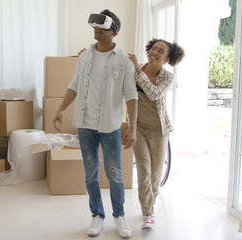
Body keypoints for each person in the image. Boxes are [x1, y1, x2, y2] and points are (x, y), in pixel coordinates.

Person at [52, 9, 138, 239]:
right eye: (95, 27)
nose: (96, 30)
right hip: (85, 125)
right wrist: (60, 109)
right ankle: (97, 216)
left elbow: (131, 95)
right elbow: (74, 85)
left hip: (110, 126)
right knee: (90, 174)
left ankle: (119, 216)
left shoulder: (123, 60)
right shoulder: (84, 57)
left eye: (102, 27)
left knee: (115, 174)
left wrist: (132, 126)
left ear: (114, 32)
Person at [128, 39, 185, 230]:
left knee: (155, 176)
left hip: (160, 131)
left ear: (167, 58)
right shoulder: (134, 71)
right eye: (153, 48)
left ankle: (150, 206)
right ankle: (148, 213)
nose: (154, 52)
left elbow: (153, 94)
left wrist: (137, 69)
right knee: (143, 171)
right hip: (138, 129)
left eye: (160, 51)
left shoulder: (167, 77)